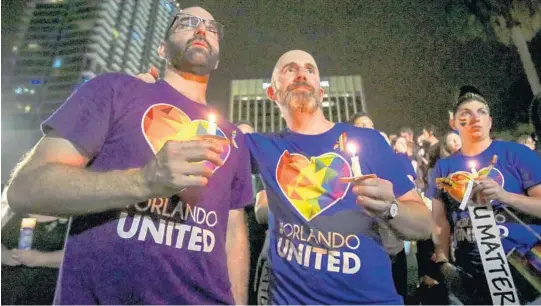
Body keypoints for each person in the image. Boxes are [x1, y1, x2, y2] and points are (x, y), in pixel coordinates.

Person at [6, 7, 252, 305]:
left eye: (211, 28)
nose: (201, 30)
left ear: (218, 58)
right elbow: (26, 189)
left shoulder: (234, 137)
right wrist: (143, 181)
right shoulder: (114, 90)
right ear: (161, 49)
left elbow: (233, 234)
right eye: (187, 22)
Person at [245, 50, 432, 304]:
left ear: (321, 93)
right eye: (290, 69)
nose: (301, 74)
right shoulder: (262, 147)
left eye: (310, 70)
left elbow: (424, 225)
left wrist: (391, 209)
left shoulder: (369, 141)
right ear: (272, 93)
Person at [428, 86, 541, 304]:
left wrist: (505, 196)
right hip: (471, 277)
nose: (475, 118)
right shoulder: (444, 167)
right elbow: (439, 220)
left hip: (524, 272)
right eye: (465, 114)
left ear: (490, 120)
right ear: (454, 124)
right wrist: (442, 259)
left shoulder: (517, 154)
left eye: (481, 112)